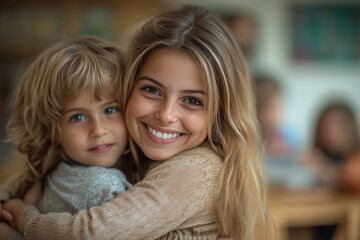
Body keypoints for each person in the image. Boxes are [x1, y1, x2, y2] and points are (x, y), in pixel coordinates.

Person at [2, 5, 270, 240]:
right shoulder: (119, 151)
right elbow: (22, 183)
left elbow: (91, 233)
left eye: (193, 101)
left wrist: (23, 221)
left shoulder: (198, 168)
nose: (166, 115)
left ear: (220, 112)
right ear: (127, 86)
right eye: (152, 90)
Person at [0, 36, 132, 239]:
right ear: (50, 130)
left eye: (110, 109)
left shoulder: (53, 169)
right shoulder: (109, 186)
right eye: (77, 117)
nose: (98, 130)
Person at [304, 102, 360, 188]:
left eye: (336, 128)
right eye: (325, 128)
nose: (330, 134)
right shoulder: (322, 155)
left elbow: (353, 177)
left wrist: (323, 168)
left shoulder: (356, 158)